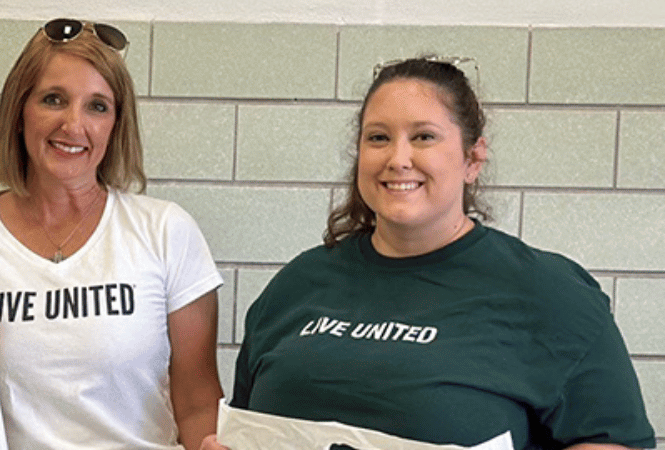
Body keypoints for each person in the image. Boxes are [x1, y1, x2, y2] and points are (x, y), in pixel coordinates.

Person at [217, 57, 652, 450]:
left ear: (473, 158)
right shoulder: (297, 284)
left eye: (423, 136)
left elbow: (617, 443)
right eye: (379, 138)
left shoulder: (551, 294)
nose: (398, 158)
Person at [0, 18, 225, 449]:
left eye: (97, 106)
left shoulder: (166, 231)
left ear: (116, 124)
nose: (73, 125)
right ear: (19, 113)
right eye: (53, 99)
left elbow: (197, 404)